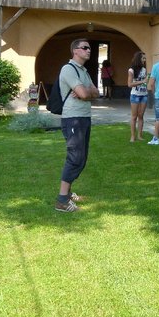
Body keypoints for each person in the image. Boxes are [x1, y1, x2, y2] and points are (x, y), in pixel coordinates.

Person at [54, 38, 100, 212]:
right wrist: (86, 92)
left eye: (89, 48)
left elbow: (95, 92)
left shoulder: (84, 71)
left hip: (83, 117)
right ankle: (62, 201)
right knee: (75, 158)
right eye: (85, 47)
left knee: (82, 158)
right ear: (75, 51)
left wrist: (87, 92)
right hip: (73, 118)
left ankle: (68, 193)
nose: (89, 50)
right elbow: (83, 92)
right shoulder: (68, 69)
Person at [127, 51, 148, 142]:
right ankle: (132, 136)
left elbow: (146, 82)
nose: (144, 60)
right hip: (135, 95)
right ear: (138, 59)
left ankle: (139, 135)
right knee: (134, 116)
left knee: (141, 116)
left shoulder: (144, 70)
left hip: (144, 95)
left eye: (145, 58)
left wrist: (147, 82)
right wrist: (143, 81)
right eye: (143, 58)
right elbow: (129, 84)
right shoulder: (131, 70)